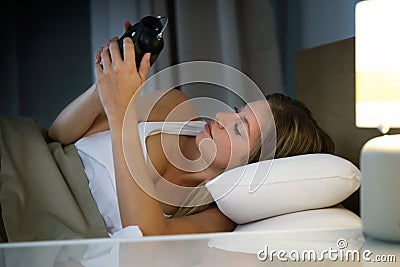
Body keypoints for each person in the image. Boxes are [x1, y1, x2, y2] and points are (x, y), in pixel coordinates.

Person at [0, 22, 334, 241]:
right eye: (236, 111)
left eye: (239, 128)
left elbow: (144, 240)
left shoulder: (214, 217)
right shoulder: (175, 107)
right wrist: (105, 85)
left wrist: (121, 116)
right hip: (20, 154)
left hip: (36, 215)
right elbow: (57, 136)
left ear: (255, 165)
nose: (220, 116)